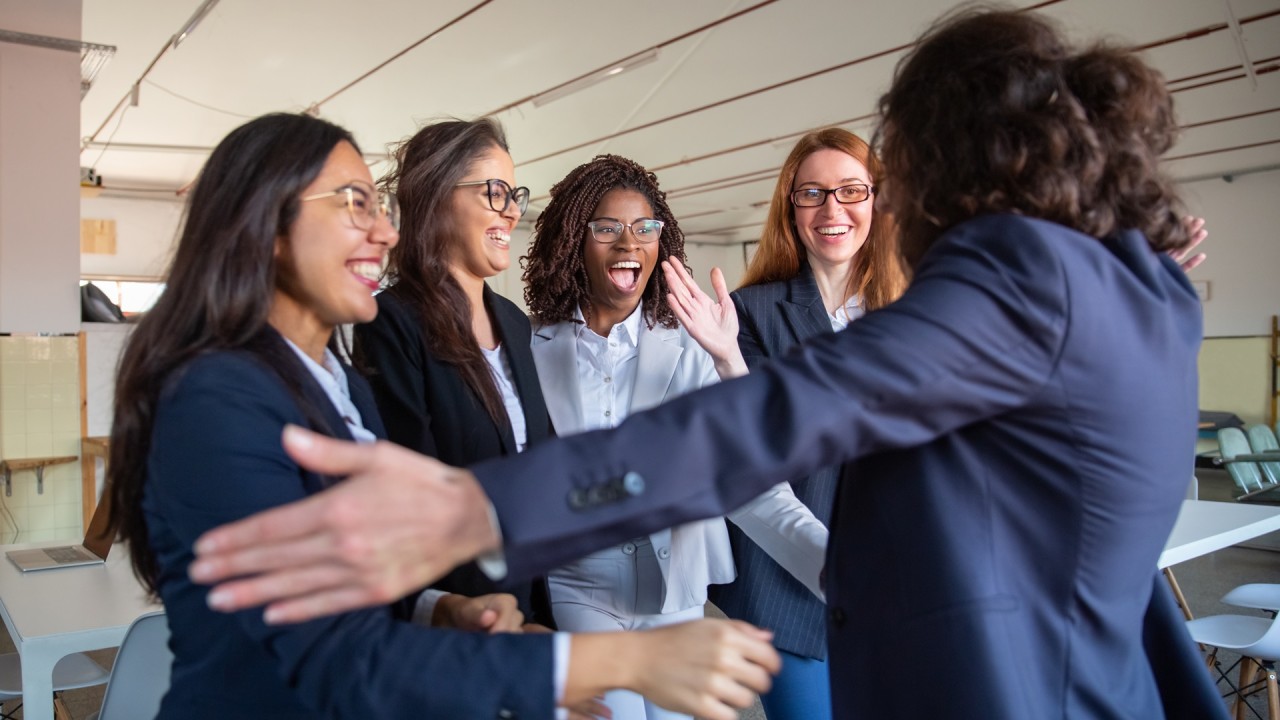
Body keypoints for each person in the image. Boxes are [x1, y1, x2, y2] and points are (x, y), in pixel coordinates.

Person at [188, 8, 1227, 719]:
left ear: (939, 154)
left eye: (886, 167)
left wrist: (481, 511)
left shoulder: (1021, 273)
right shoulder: (1135, 291)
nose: (883, 201)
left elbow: (774, 421)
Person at [106, 112, 779, 720]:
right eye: (353, 205)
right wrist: (617, 663)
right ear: (266, 226)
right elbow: (330, 655)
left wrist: (441, 608)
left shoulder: (334, 381)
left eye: (379, 205)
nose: (383, 230)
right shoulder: (216, 399)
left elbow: (360, 574)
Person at [522, 154, 828, 720]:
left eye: (645, 228)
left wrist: (840, 567)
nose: (628, 243)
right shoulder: (532, 349)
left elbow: (750, 476)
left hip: (678, 590)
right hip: (582, 586)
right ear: (573, 242)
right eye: (606, 228)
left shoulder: (694, 346)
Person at [667, 127, 906, 720]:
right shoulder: (751, 314)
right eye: (813, 193)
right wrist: (727, 360)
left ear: (877, 200)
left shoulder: (910, 311)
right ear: (790, 207)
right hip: (790, 589)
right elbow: (756, 451)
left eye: (852, 190)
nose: (833, 209)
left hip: (903, 577)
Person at [352, 117, 555, 628]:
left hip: (527, 601)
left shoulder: (512, 321)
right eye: (495, 192)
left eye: (515, 195)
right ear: (438, 196)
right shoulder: (392, 323)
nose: (511, 212)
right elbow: (406, 501)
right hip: (456, 615)